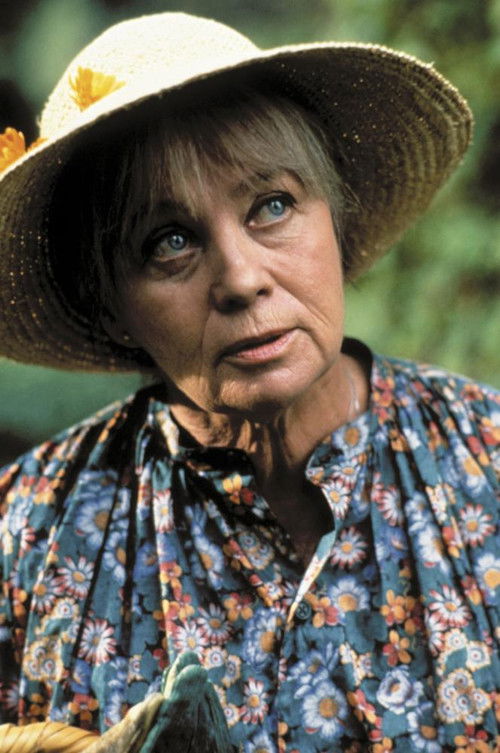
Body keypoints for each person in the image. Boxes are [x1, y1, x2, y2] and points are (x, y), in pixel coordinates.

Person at [0, 11, 498, 753]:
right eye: (170, 241)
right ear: (108, 302)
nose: (240, 278)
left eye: (272, 205)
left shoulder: (487, 463)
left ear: (336, 221)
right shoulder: (26, 534)